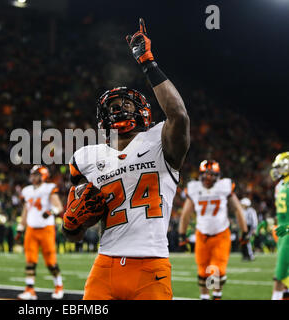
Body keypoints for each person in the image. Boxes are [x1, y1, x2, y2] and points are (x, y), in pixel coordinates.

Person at [62, 18, 190, 300]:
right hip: (104, 266)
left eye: (127, 104)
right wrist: (70, 224)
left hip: (150, 267)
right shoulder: (86, 157)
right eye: (114, 106)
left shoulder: (160, 139)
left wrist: (148, 62)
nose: (120, 109)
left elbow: (179, 115)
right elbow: (75, 232)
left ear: (143, 111)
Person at [178, 160, 248, 300]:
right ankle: (204, 296)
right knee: (202, 270)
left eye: (212, 174)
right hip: (202, 234)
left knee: (216, 269)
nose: (209, 178)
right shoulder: (194, 188)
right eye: (206, 174)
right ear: (201, 175)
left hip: (221, 233)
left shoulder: (224, 186)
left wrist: (244, 231)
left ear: (218, 176)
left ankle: (216, 295)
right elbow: (185, 214)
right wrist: (181, 234)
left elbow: (238, 209)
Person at [16, 165, 64, 300]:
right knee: (30, 260)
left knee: (50, 261)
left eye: (36, 174)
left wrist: (50, 212)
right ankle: (30, 289)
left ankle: (59, 286)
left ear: (43, 176)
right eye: (32, 174)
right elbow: (26, 210)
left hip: (46, 229)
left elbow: (59, 207)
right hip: (31, 229)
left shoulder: (48, 188)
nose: (33, 177)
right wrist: (21, 227)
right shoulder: (27, 191)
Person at [269, 151, 289, 300]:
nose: (276, 170)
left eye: (280, 166)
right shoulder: (280, 185)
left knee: (280, 275)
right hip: (283, 236)